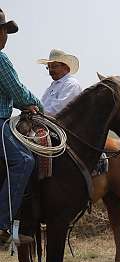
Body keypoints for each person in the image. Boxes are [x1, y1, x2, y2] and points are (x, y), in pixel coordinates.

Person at [0, 9, 44, 246]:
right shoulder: (0, 59)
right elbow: (17, 92)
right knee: (24, 161)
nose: (6, 36)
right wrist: (37, 105)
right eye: (5, 31)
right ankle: (2, 223)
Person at [38, 49, 81, 116]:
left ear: (66, 67)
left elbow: (59, 109)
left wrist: (37, 113)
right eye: (49, 67)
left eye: (54, 66)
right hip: (46, 121)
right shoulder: (52, 86)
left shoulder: (72, 84)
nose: (51, 70)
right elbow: (42, 105)